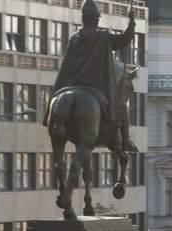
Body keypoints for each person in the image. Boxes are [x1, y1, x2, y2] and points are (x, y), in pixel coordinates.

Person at [50, 0, 137, 151]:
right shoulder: (102, 37)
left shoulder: (74, 37)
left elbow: (67, 65)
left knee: (56, 100)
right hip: (95, 86)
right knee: (121, 106)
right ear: (96, 18)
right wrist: (131, 21)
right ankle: (125, 141)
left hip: (71, 84)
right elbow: (124, 38)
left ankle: (52, 120)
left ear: (83, 18)